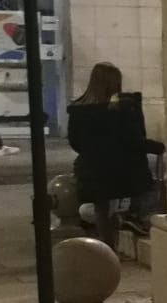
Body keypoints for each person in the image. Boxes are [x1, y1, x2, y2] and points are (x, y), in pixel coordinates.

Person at [66, 62, 161, 250]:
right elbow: (133, 141)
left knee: (102, 206)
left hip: (92, 169)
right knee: (149, 189)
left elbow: (75, 141)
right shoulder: (122, 110)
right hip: (121, 170)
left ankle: (107, 247)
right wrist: (157, 147)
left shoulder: (78, 110)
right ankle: (134, 217)